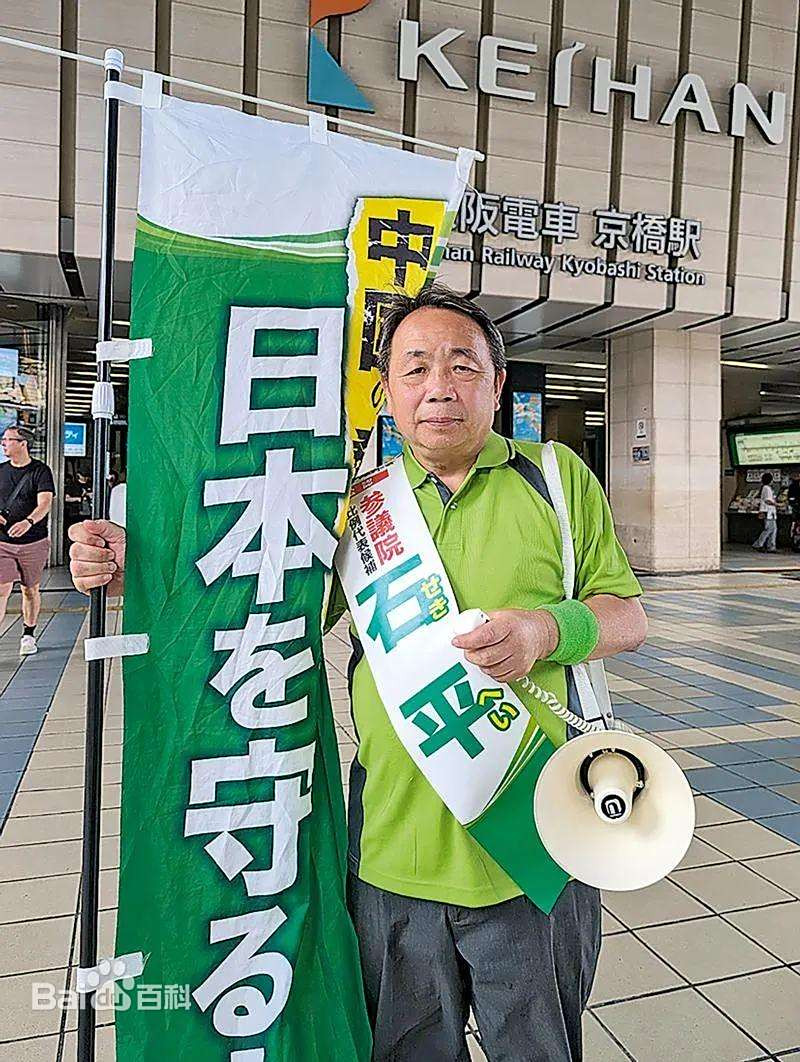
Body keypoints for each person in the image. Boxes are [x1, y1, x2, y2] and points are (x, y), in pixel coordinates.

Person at [68, 285, 648, 1061]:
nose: (439, 386)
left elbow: (626, 616)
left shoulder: (556, 477)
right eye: (415, 367)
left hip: (539, 845)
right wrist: (131, 569)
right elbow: (264, 609)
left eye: (462, 365)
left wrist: (546, 629)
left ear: (497, 384)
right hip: (390, 857)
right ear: (386, 393)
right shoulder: (357, 506)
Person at [0, 425, 56, 655]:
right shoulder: (0, 471)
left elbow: (45, 503)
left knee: (30, 590)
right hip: (2, 543)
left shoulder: (40, 471)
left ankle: (28, 635)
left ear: (23, 443)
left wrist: (28, 522)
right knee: (2, 588)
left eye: (8, 439)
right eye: (3, 439)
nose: (3, 443)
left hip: (33, 542)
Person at [753, 471, 778, 553]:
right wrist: (777, 504)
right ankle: (758, 544)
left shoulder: (766, 488)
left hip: (771, 512)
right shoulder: (766, 488)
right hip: (767, 511)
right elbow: (767, 500)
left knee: (773, 529)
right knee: (769, 529)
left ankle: (771, 546)